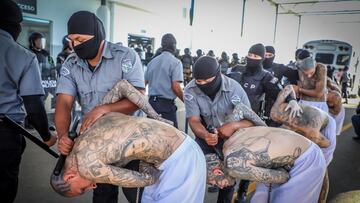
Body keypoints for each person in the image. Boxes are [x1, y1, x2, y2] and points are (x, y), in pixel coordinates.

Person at [55, 11, 145, 203]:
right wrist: (63, 135)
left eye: (80, 39)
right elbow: (64, 103)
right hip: (96, 144)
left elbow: (137, 98)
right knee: (103, 195)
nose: (75, 45)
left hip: (131, 140)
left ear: (97, 35)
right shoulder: (71, 64)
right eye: (71, 40)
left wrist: (105, 109)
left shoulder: (126, 57)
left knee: (138, 193)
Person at [50, 112, 206, 203]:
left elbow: (148, 179)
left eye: (82, 188)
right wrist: (153, 114)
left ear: (70, 176)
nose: (93, 187)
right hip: (180, 147)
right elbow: (122, 86)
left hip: (181, 159)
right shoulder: (82, 135)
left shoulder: (88, 168)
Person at [0, 1, 57, 202]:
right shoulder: (21, 54)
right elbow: (33, 104)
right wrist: (46, 135)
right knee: (3, 186)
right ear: (16, 27)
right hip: (4, 133)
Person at [185, 56, 252, 203]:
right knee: (198, 172)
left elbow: (251, 121)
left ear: (218, 75)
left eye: (207, 81)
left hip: (232, 139)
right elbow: (194, 120)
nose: (202, 84)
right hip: (206, 134)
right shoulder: (190, 89)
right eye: (199, 81)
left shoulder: (234, 89)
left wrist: (233, 126)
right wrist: (205, 135)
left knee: (227, 182)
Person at [222, 126, 326, 203]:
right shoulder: (235, 134)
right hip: (284, 155)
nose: (220, 185)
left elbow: (284, 177)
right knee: (259, 197)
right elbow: (242, 109)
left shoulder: (233, 167)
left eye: (213, 182)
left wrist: (277, 169)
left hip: (307, 159)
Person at [228, 44, 289, 127]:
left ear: (262, 58)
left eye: (256, 56)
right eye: (250, 55)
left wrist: (292, 100)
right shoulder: (237, 69)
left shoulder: (266, 76)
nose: (252, 58)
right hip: (227, 114)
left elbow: (280, 92)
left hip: (249, 120)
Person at [145, 33, 184, 128]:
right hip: (166, 106)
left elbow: (143, 84)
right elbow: (175, 87)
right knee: (172, 137)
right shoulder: (176, 62)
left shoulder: (151, 62)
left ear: (162, 46)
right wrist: (186, 101)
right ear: (174, 45)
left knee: (152, 134)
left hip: (151, 105)